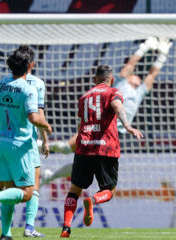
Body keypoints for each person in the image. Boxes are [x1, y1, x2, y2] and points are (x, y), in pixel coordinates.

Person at [40, 36, 173, 186]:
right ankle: (38, 145)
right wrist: (144, 48)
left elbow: (152, 74)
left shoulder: (141, 91)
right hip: (96, 127)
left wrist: (162, 55)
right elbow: (131, 64)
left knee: (84, 165)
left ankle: (50, 176)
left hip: (112, 134)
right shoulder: (121, 82)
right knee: (66, 148)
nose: (138, 77)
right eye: (135, 75)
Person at [0, 47, 52, 240]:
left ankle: (5, 233)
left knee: (7, 186)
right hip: (22, 145)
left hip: (3, 144)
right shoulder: (30, 88)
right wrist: (46, 127)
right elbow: (35, 117)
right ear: (30, 65)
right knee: (27, 193)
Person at [60, 65, 143, 238]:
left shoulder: (84, 97)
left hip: (84, 147)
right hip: (106, 147)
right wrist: (127, 126)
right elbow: (118, 106)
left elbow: (81, 124)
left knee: (75, 189)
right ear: (111, 80)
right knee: (109, 190)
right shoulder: (113, 91)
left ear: (94, 80)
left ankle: (66, 228)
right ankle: (93, 200)